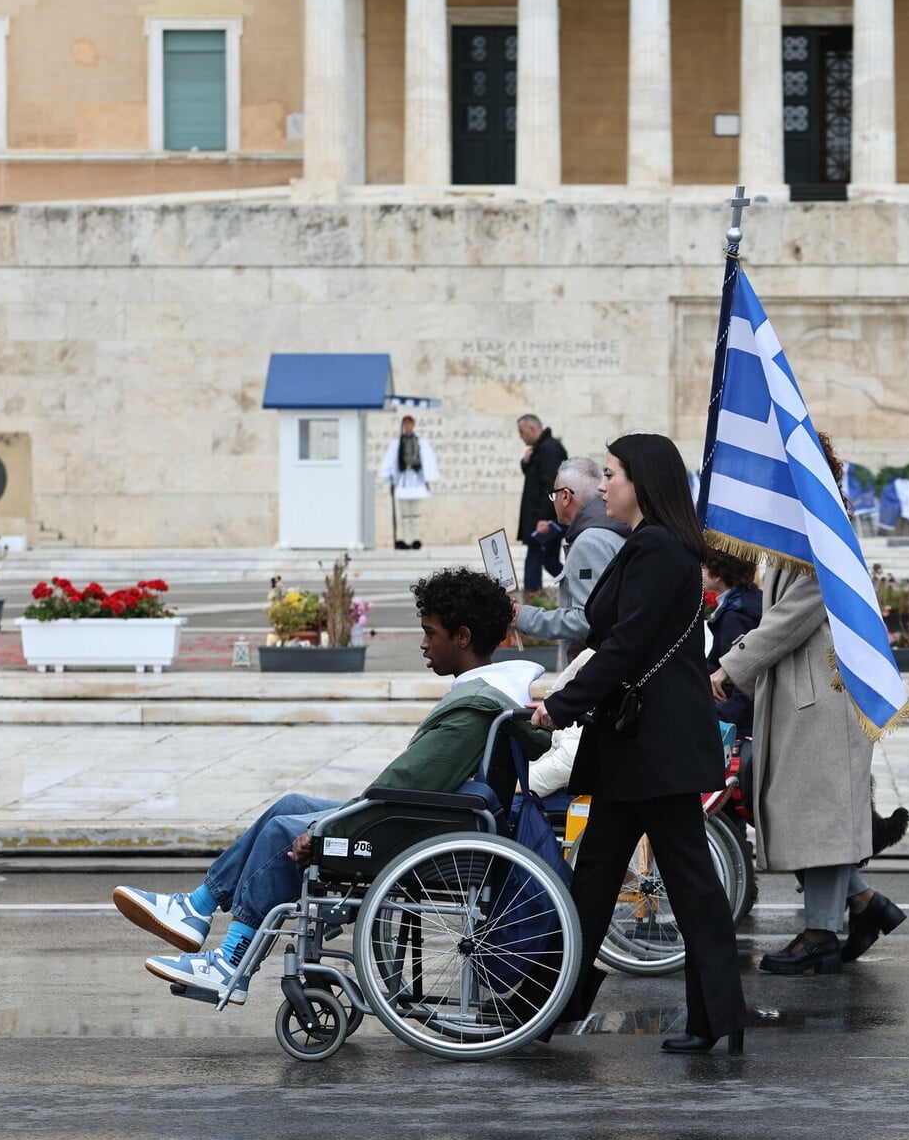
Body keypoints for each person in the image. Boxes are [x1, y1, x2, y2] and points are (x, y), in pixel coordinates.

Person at [113, 569, 548, 1002]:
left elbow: (403, 784)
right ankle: (198, 906)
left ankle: (230, 962)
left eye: (429, 632)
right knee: (291, 804)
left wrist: (327, 831)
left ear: (463, 636)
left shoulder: (473, 707)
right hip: (432, 820)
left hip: (420, 831)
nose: (422, 643)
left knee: (285, 830)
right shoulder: (487, 695)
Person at [532, 433, 747, 1054]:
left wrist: (560, 707)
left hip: (655, 748)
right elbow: (615, 633)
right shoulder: (652, 543)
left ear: (643, 482)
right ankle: (548, 1008)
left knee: (688, 885)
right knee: (595, 881)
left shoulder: (657, 547)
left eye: (613, 474)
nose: (603, 487)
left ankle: (716, 1016)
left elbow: (623, 646)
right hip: (639, 747)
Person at [710, 434, 906, 975]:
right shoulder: (801, 522)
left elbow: (792, 614)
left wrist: (732, 664)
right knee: (814, 813)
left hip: (823, 697)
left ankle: (821, 934)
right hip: (809, 692)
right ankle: (864, 903)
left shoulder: (822, 524)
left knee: (821, 817)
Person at [512, 456, 630, 660]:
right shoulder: (607, 530)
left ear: (565, 496)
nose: (554, 502)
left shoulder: (590, 542)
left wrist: (523, 616)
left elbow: (586, 619)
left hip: (594, 663)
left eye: (554, 495)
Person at [702, 548, 762, 736]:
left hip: (740, 722)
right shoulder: (750, 599)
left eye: (703, 567)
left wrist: (721, 714)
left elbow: (745, 671)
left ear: (718, 575)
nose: (700, 572)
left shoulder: (735, 616)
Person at [516, 414, 568, 598]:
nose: (521, 436)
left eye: (522, 432)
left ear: (532, 428)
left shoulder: (549, 448)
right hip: (541, 518)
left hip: (546, 519)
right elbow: (535, 477)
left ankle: (532, 598)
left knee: (538, 558)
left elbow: (551, 484)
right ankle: (576, 586)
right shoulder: (540, 449)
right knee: (548, 560)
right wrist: (525, 462)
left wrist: (543, 518)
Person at [379, 414, 439, 550]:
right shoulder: (397, 443)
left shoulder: (421, 443)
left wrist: (427, 480)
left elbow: (427, 462)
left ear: (413, 425)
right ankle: (407, 540)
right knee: (405, 514)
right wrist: (392, 480)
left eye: (409, 424)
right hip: (403, 481)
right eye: (405, 424)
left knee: (416, 513)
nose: (407, 427)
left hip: (416, 479)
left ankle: (416, 539)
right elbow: (392, 462)